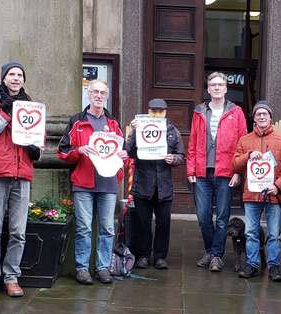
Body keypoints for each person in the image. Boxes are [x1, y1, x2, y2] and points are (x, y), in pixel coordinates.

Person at [0, 62, 41, 298]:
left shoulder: (32, 107)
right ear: (3, 78)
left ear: (24, 80)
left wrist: (36, 149)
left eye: (20, 75)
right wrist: (3, 114)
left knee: (18, 232)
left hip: (21, 174)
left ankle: (12, 277)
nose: (16, 78)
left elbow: (38, 139)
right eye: (11, 74)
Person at [58, 79, 128, 285]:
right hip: (83, 183)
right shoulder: (77, 121)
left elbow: (122, 152)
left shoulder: (113, 124)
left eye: (102, 93)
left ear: (106, 96)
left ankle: (103, 267)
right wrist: (78, 151)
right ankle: (82, 268)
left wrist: (124, 155)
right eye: (95, 92)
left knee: (107, 228)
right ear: (88, 94)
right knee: (84, 228)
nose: (99, 96)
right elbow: (62, 151)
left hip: (108, 184)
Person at [187, 72, 247, 272]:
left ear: (226, 88)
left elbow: (243, 144)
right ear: (208, 88)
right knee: (203, 216)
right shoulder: (199, 112)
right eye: (213, 84)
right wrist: (190, 169)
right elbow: (193, 142)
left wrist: (239, 171)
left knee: (222, 217)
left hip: (226, 172)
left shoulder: (236, 112)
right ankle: (211, 251)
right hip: (202, 172)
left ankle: (215, 256)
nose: (217, 87)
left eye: (220, 84)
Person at [232, 101, 281, 281]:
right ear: (254, 117)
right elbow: (235, 163)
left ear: (270, 117)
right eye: (258, 114)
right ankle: (252, 264)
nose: (261, 117)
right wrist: (248, 156)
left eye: (265, 114)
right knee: (251, 232)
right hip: (251, 194)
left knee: (274, 234)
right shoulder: (245, 140)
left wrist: (278, 185)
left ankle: (274, 266)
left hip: (274, 194)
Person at [126, 98, 185, 269]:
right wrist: (134, 132)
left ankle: (160, 257)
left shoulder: (173, 131)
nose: (156, 114)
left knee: (163, 223)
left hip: (164, 186)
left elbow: (181, 155)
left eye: (160, 111)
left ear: (165, 112)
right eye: (153, 111)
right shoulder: (139, 128)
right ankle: (143, 255)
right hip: (142, 184)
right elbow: (127, 151)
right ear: (148, 111)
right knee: (143, 223)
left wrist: (173, 158)